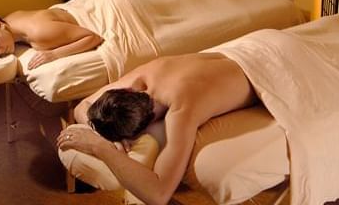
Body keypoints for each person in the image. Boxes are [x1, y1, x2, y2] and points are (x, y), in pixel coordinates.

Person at [57, 52, 258, 205]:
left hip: (260, 65)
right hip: (239, 52)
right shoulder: (142, 79)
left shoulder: (182, 111)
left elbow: (159, 194)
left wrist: (99, 146)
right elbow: (82, 106)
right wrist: (106, 134)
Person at [0, 9, 103, 70]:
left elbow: (93, 37)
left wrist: (54, 54)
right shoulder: (7, 23)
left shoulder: (39, 33)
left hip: (99, 9)